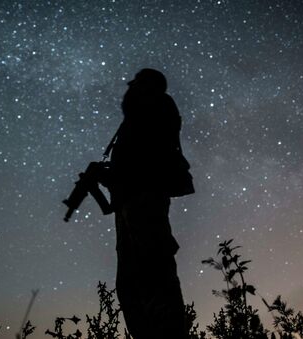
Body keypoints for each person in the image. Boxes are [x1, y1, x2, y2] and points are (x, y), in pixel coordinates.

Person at [106, 68, 193, 339]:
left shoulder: (155, 108)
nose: (128, 91)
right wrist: (110, 176)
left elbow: (148, 160)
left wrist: (118, 175)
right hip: (130, 202)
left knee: (154, 273)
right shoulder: (137, 119)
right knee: (132, 283)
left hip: (144, 200)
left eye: (136, 85)